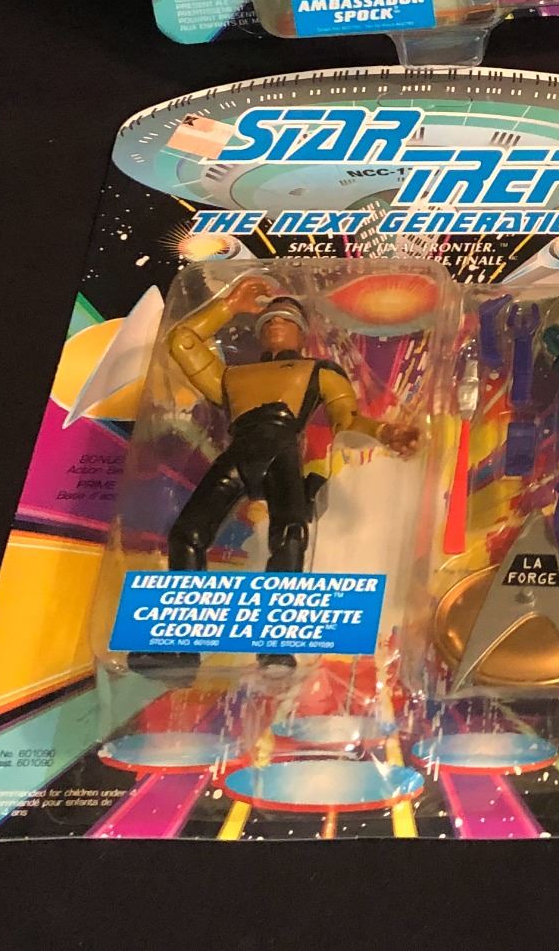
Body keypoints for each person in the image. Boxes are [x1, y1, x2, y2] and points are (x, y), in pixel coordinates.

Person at [140, 275, 420, 670]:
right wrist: (229, 305)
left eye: (286, 319)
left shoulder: (318, 370)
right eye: (268, 319)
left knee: (289, 537)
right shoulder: (231, 377)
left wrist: (386, 432)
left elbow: (346, 419)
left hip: (281, 452)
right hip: (240, 449)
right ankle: (179, 646)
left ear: (302, 333)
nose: (275, 322)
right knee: (187, 534)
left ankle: (274, 644)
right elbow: (182, 341)